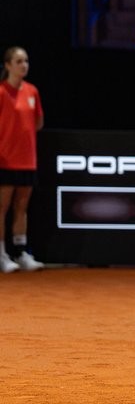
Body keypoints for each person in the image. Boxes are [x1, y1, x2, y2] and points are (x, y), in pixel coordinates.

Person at [0, 47, 45, 273]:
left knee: (21, 208)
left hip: (27, 160)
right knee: (1, 208)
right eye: (18, 61)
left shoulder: (32, 91)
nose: (24, 65)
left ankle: (20, 253)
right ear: (8, 65)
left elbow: (38, 123)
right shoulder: (1, 92)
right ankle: (1, 255)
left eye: (26, 61)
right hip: (5, 159)